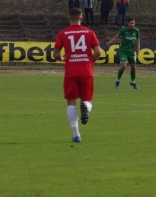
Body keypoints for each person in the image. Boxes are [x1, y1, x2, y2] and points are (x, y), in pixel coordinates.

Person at [52, 8, 101, 143]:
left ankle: (76, 135)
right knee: (87, 100)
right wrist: (89, 61)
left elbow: (56, 54)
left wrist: (62, 58)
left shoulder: (63, 33)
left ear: (69, 18)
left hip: (71, 72)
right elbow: (98, 52)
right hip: (86, 71)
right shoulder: (89, 32)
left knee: (71, 102)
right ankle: (86, 107)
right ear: (81, 18)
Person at [107, 17, 141, 90]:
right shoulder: (123, 30)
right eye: (131, 23)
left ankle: (133, 82)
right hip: (123, 51)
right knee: (123, 66)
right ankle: (118, 80)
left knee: (133, 67)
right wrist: (110, 42)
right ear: (128, 23)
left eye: (133, 23)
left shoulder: (136, 31)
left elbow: (138, 40)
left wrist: (138, 49)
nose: (132, 24)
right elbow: (116, 36)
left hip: (131, 52)